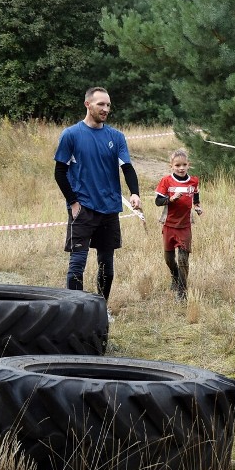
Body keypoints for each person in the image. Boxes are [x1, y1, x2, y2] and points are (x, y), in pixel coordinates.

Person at [54, 87, 141, 308]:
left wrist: (135, 193)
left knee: (106, 266)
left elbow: (127, 168)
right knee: (77, 264)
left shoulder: (116, 136)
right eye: (101, 104)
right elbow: (59, 172)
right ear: (87, 105)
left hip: (109, 209)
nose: (105, 109)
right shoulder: (71, 135)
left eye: (108, 105)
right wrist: (73, 202)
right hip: (83, 208)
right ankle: (75, 312)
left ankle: (101, 309)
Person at [155, 148, 202, 301]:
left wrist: (197, 206)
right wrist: (171, 199)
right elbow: (158, 201)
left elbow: (195, 194)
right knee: (169, 258)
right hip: (169, 225)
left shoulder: (193, 181)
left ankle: (182, 291)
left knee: (183, 259)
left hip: (185, 225)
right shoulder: (166, 181)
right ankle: (175, 276)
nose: (181, 168)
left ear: (189, 165)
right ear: (171, 166)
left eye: (184, 165)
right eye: (177, 165)